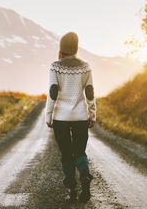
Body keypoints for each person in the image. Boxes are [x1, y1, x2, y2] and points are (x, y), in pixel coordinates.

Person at [45, 31, 96, 202]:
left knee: (66, 154)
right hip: (81, 117)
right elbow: (89, 93)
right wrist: (92, 114)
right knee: (80, 151)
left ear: (62, 47)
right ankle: (84, 175)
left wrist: (48, 115)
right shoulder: (85, 66)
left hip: (61, 119)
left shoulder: (55, 66)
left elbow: (52, 93)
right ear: (76, 47)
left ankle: (72, 188)